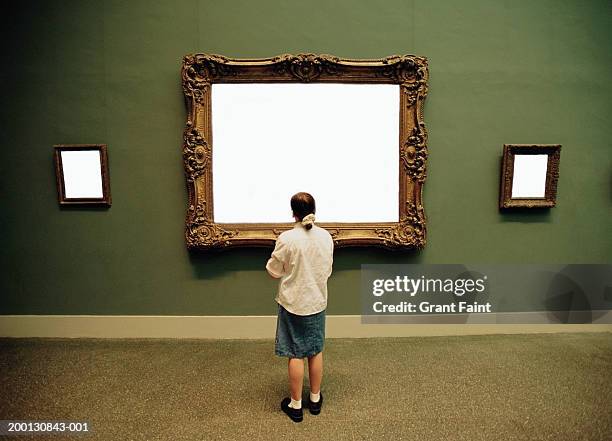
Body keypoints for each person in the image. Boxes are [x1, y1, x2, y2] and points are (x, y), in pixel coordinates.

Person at [265, 192, 334, 423]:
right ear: (315, 209)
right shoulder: (326, 237)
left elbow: (274, 271)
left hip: (293, 303)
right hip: (316, 301)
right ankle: (315, 400)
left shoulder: (287, 238)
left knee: (295, 353)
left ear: (292, 212)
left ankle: (296, 405)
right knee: (315, 350)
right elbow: (327, 270)